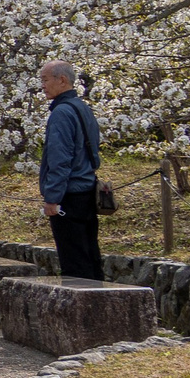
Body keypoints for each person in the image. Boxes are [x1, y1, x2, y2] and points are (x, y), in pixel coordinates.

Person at [38, 59, 106, 280]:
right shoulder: (82, 108)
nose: (43, 86)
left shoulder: (61, 113)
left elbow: (60, 160)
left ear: (62, 80)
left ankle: (83, 301)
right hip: (87, 189)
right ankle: (100, 297)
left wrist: (52, 198)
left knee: (74, 261)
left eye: (45, 80)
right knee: (90, 255)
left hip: (69, 194)